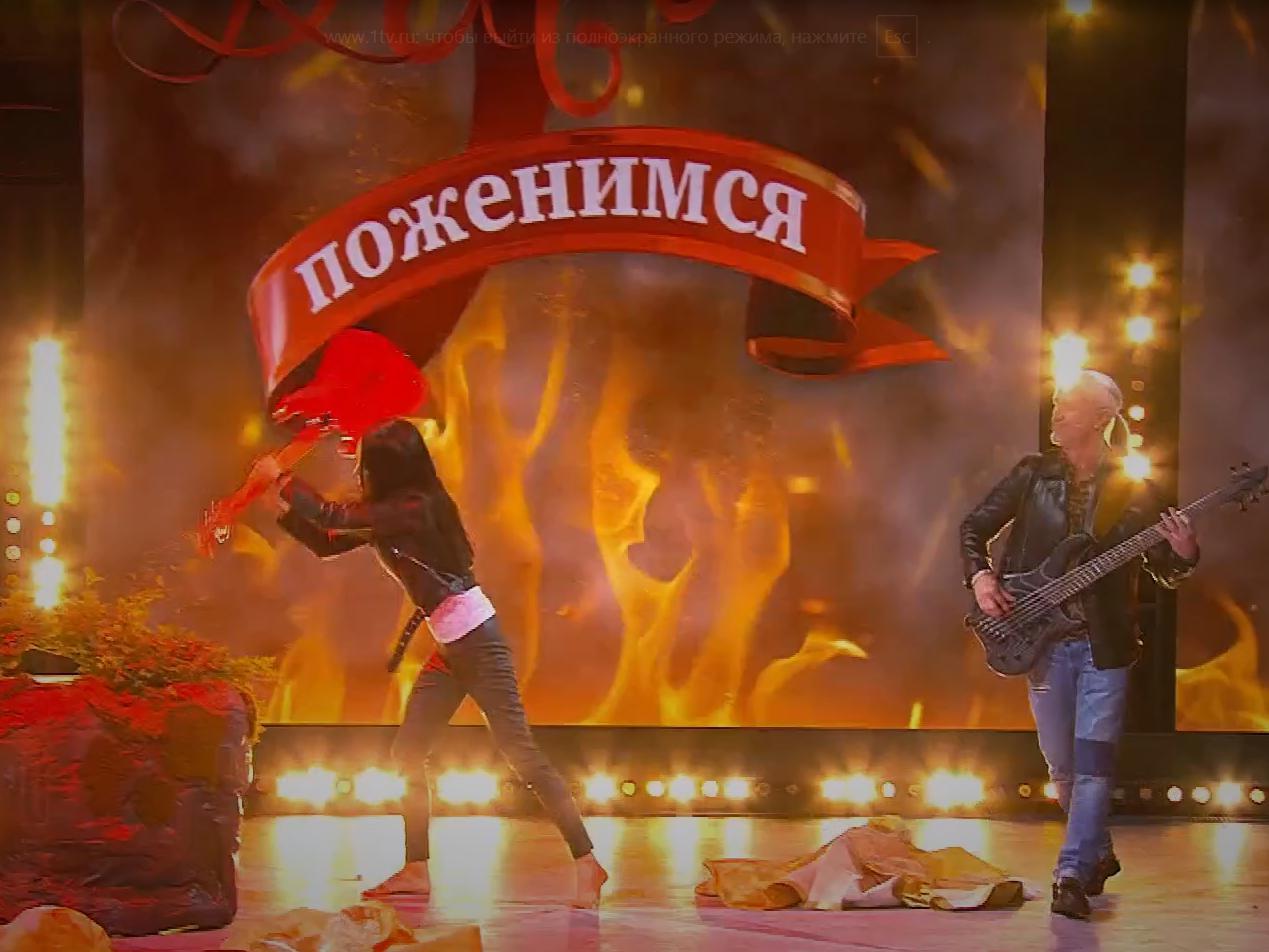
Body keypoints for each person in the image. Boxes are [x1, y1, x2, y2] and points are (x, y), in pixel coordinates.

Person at [252, 417, 608, 908]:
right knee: (407, 754)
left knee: (522, 754)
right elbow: (327, 542)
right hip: (451, 649)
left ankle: (588, 863)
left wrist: (281, 477)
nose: (360, 470)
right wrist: (281, 510)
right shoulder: (394, 512)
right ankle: (416, 868)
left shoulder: (413, 508)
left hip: (477, 643)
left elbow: (331, 514)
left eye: (367, 463)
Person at [959, 370, 1198, 920]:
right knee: (1063, 768)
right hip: (1042, 640)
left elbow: (1164, 568)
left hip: (1104, 647)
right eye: (1057, 401)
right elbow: (974, 526)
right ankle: (1097, 852)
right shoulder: (1032, 473)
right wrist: (981, 577)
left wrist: (1183, 552)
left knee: (1093, 763)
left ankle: (1069, 874)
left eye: (1068, 403)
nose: (1057, 410)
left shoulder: (1133, 487)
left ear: (1100, 418)